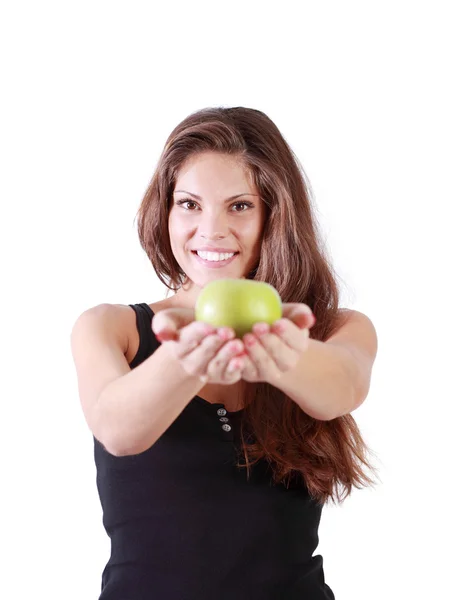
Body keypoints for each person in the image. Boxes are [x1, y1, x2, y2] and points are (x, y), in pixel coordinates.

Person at [70, 106, 379, 599]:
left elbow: (341, 386)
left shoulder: (334, 328)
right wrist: (189, 357)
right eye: (189, 204)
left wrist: (276, 350)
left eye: (239, 206)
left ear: (274, 215)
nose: (211, 230)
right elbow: (117, 428)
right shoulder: (112, 327)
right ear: (165, 211)